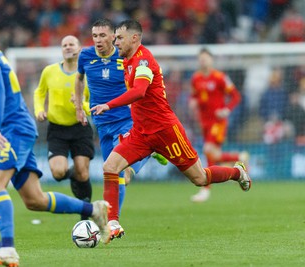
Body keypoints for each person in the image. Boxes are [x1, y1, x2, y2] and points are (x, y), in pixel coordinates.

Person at [0, 15, 109, 267]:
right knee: (35, 200)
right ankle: (94, 210)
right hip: (19, 127)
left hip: (13, 130)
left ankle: (8, 249)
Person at [90, 19, 251, 244]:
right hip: (141, 133)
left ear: (134, 38)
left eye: (119, 38)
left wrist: (109, 104)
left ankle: (238, 173)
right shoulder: (126, 61)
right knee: (110, 167)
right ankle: (113, 224)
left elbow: (139, 91)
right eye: (115, 38)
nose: (115, 42)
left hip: (166, 131)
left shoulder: (144, 61)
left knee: (200, 177)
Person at [74, 18, 167, 241]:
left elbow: (141, 85)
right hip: (102, 124)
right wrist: (79, 107)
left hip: (126, 120)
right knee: (113, 174)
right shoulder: (85, 56)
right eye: (95, 36)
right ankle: (114, 221)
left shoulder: (124, 57)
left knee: (121, 172)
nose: (98, 40)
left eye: (103, 35)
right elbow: (78, 80)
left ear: (113, 37)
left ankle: (112, 221)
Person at [34, 35, 94, 220]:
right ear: (61, 49)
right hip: (57, 129)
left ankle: (86, 213)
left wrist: (81, 104)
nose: (68, 47)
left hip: (80, 126)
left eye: (71, 44)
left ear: (79, 48)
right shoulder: (49, 71)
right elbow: (39, 92)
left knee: (83, 172)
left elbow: (93, 105)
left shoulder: (87, 74)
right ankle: (73, 176)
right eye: (64, 45)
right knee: (58, 173)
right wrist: (39, 110)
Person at [189, 48, 249, 203]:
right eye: (200, 59)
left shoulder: (220, 77)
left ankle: (206, 188)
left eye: (205, 58)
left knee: (208, 150)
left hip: (218, 121)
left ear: (211, 60)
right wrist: (193, 102)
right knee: (214, 154)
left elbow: (236, 96)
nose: (203, 61)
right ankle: (239, 157)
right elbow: (195, 96)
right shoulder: (196, 78)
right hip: (204, 122)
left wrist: (226, 110)